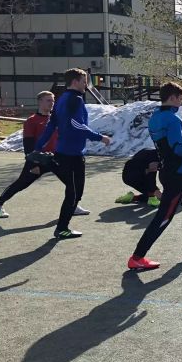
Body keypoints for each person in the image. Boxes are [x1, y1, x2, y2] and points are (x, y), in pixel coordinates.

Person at [127, 82, 182, 271]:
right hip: (176, 175)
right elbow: (177, 147)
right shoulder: (172, 120)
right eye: (181, 99)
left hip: (172, 172)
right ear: (173, 97)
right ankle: (137, 257)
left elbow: (168, 147)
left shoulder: (156, 117)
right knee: (164, 217)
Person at [34, 68, 112, 239]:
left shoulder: (61, 99)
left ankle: (64, 223)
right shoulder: (75, 100)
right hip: (72, 154)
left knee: (74, 191)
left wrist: (38, 146)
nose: (86, 85)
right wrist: (100, 137)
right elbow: (76, 125)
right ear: (75, 82)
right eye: (84, 81)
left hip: (63, 152)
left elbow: (51, 125)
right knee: (74, 192)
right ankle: (62, 228)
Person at [0, 91, 59, 218]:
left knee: (70, 181)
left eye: (53, 100)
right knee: (21, 184)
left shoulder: (55, 119)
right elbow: (28, 144)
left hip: (55, 158)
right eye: (48, 100)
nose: (52, 103)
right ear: (40, 102)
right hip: (38, 160)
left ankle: (73, 205)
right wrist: (33, 163)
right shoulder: (31, 121)